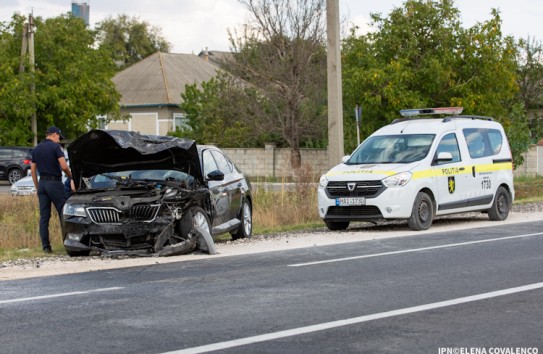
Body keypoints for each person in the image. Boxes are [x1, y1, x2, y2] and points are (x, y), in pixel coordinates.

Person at [31, 126, 73, 254]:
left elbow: (33, 170)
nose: (59, 140)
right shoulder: (56, 148)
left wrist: (38, 187)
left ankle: (46, 247)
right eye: (59, 137)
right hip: (54, 183)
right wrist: (72, 176)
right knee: (63, 213)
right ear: (54, 134)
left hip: (42, 183)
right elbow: (64, 166)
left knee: (44, 217)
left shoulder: (36, 149)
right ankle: (69, 243)